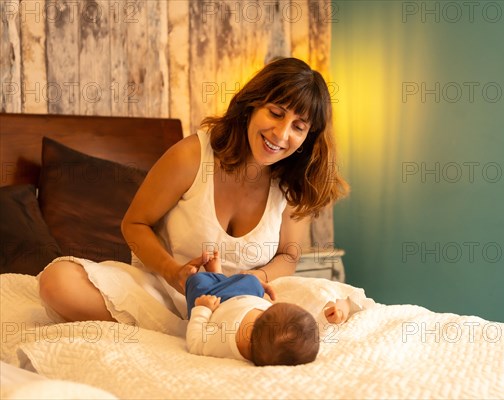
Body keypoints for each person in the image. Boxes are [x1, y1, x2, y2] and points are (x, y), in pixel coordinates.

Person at [38, 57, 349, 325]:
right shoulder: (192, 155)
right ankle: (187, 327)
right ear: (252, 106)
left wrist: (257, 279)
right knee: (59, 282)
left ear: (308, 136)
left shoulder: (291, 183)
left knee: (332, 300)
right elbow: (133, 224)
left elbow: (288, 255)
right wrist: (175, 274)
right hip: (161, 293)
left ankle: (221, 325)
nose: (282, 134)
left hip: (243, 301)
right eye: (277, 113)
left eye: (299, 126)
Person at [185, 250, 319, 366]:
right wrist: (328, 317)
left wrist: (202, 309)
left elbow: (195, 343)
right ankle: (219, 277)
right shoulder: (267, 334)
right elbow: (308, 332)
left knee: (197, 282)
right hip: (244, 295)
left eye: (265, 313)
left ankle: (217, 277)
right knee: (253, 281)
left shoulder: (226, 340)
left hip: (216, 301)